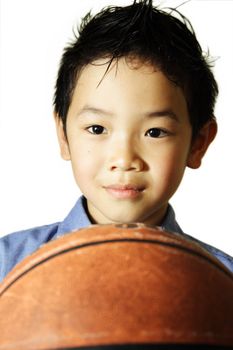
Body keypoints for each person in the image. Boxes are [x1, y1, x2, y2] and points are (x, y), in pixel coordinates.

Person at [0, 0, 232, 282]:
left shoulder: (220, 282)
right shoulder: (9, 267)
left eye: (155, 132)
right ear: (63, 136)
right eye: (97, 129)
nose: (124, 159)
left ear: (199, 143)